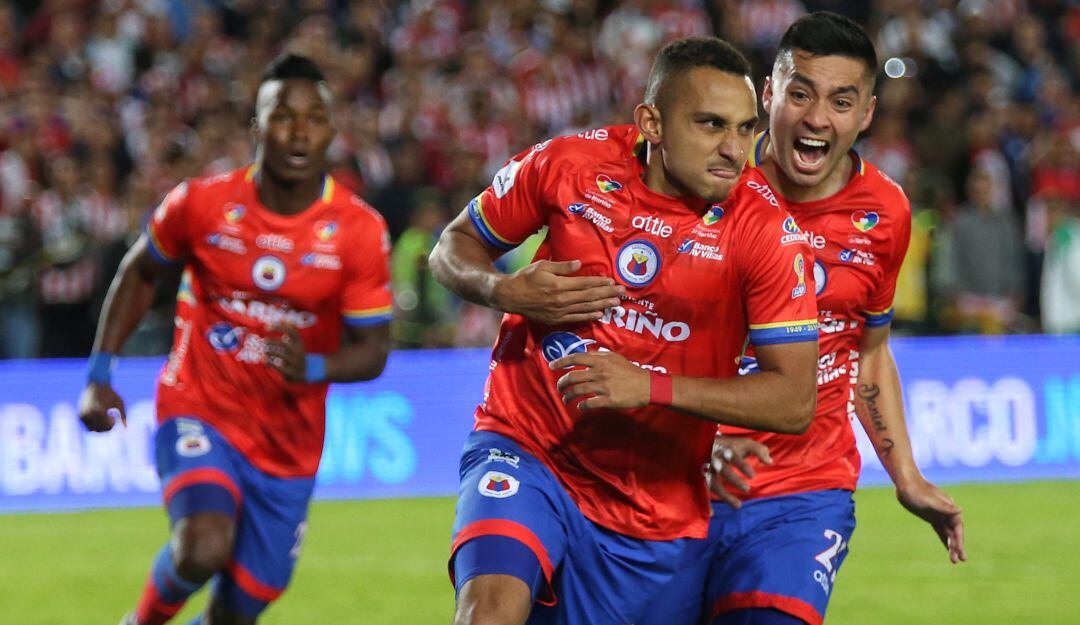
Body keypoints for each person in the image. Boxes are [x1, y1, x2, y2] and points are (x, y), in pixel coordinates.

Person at [428, 37, 821, 625]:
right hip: (529, 449)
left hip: (653, 506)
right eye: (711, 124)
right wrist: (502, 290)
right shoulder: (567, 166)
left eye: (745, 128)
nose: (733, 149)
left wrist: (648, 386)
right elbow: (452, 247)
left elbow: (793, 400)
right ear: (652, 123)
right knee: (489, 611)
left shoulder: (766, 233)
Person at [638, 13, 966, 625]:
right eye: (800, 94)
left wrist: (906, 476)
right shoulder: (706, 184)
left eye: (841, 102)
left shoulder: (885, 212)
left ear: (866, 113)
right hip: (673, 484)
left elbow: (868, 352)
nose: (817, 118)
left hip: (804, 492)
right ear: (768, 94)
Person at [77, 54, 393, 625]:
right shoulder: (200, 203)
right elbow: (140, 272)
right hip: (200, 405)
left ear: (332, 131)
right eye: (283, 116)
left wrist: (314, 367)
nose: (299, 132)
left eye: (314, 119)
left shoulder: (359, 230)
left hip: (288, 444)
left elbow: (373, 351)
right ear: (257, 127)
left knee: (241, 607)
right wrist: (100, 376)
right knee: (202, 545)